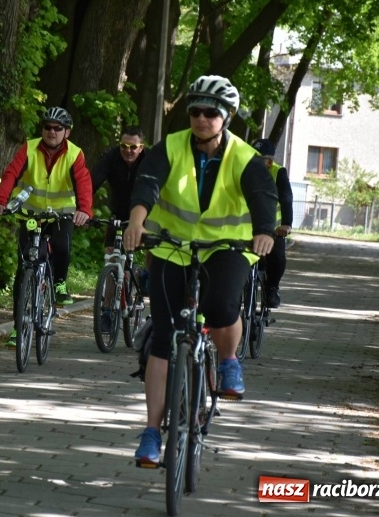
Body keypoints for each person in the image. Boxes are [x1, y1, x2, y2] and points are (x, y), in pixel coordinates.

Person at [122, 75, 278, 467]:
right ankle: (152, 433)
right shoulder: (170, 146)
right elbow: (148, 184)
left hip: (227, 248)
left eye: (211, 112)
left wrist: (263, 232)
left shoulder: (244, 157)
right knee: (162, 336)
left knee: (224, 305)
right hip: (173, 248)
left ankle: (228, 361)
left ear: (225, 117)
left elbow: (263, 197)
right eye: (195, 111)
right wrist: (136, 222)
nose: (202, 118)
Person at [0, 107, 93, 342]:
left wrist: (84, 210)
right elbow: (11, 174)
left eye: (58, 128)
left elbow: (83, 182)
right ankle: (18, 327)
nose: (52, 132)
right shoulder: (29, 147)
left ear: (66, 132)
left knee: (62, 247)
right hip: (30, 213)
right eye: (47, 127)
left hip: (61, 214)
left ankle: (59, 283)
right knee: (23, 267)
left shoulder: (75, 153)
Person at [91, 125, 149, 332]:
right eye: (124, 146)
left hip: (146, 214)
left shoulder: (149, 160)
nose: (128, 151)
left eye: (133, 147)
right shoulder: (112, 157)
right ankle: (107, 311)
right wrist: (83, 207)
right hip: (119, 215)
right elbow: (92, 181)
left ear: (141, 147)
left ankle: (144, 274)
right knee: (113, 259)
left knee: (153, 247)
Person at [251, 137, 293, 308]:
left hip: (272, 230)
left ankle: (272, 289)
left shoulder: (278, 173)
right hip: (246, 228)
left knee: (277, 257)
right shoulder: (242, 171)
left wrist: (286, 224)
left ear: (270, 161)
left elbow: (286, 198)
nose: (258, 164)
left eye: (263, 160)